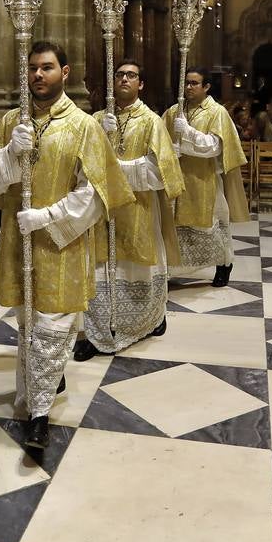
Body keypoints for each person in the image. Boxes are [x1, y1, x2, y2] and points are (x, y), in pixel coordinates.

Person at [0, 41, 132, 449]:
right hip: (18, 242)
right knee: (28, 324)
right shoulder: (12, 121)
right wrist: (10, 154)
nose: (37, 75)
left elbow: (96, 190)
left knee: (52, 326)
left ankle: (39, 415)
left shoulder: (83, 125)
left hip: (62, 243)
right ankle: (39, 389)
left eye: (46, 67)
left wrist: (48, 216)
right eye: (31, 68)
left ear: (65, 72)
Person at [75, 59, 183, 360]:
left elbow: (161, 171)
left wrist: (117, 169)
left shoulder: (151, 121)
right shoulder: (96, 119)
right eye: (120, 74)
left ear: (141, 84)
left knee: (137, 267)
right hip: (102, 212)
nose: (124, 79)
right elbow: (79, 164)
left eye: (131, 75)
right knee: (100, 271)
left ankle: (147, 320)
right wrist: (97, 132)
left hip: (137, 209)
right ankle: (97, 334)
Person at [163, 67, 251, 287]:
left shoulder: (216, 112)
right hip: (178, 179)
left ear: (206, 87)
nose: (189, 87)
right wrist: (168, 150)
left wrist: (188, 135)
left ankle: (224, 264)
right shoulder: (174, 111)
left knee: (212, 224)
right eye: (186, 83)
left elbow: (214, 147)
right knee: (175, 227)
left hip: (205, 179)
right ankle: (172, 268)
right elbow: (160, 137)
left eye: (194, 83)